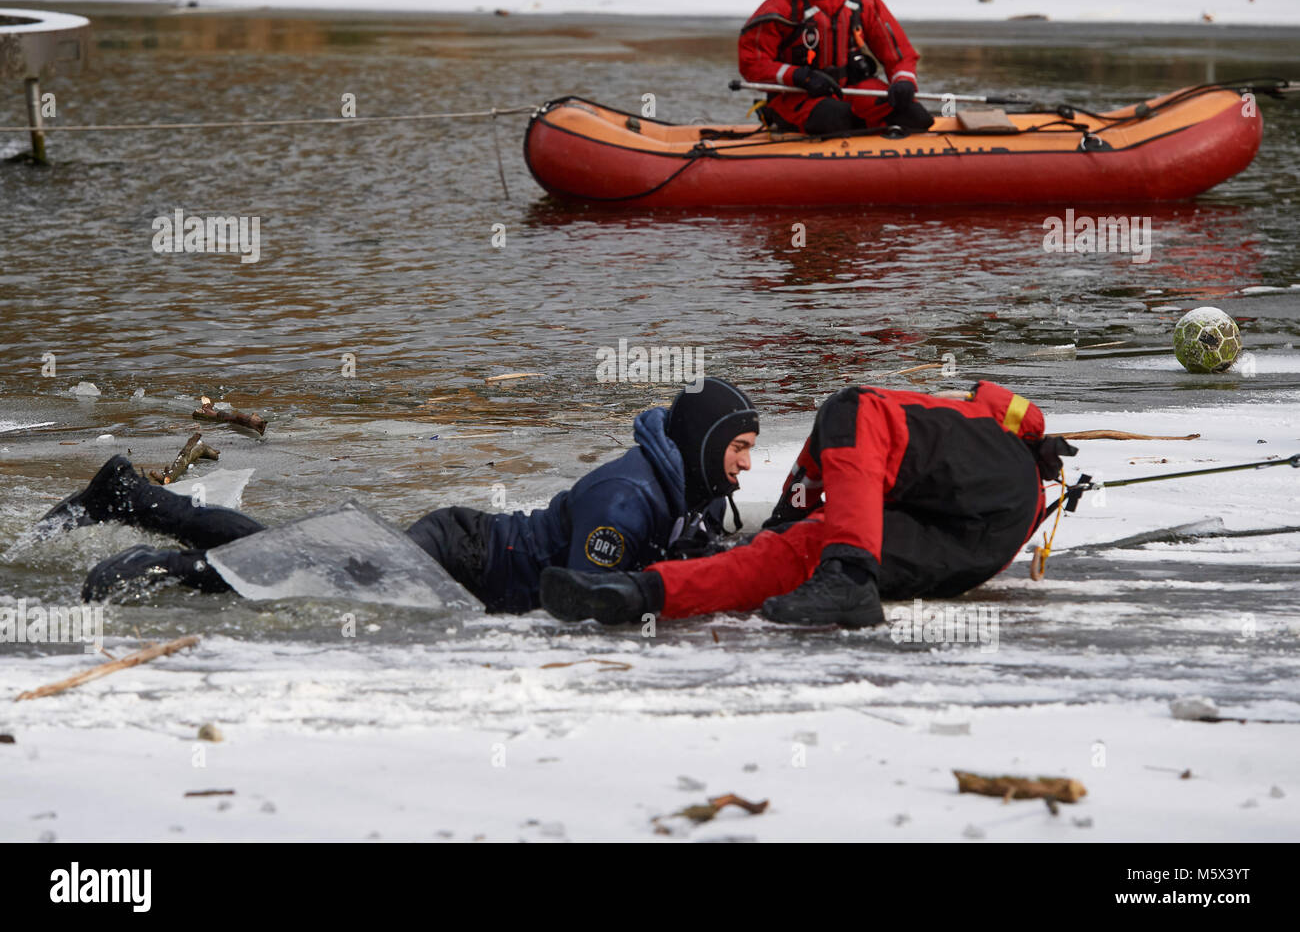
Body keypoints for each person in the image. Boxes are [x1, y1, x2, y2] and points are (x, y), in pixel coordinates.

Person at [40, 378, 760, 610]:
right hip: (462, 558)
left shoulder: (679, 486)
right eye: (739, 449)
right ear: (702, 446)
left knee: (298, 553)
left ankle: (136, 496)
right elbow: (580, 597)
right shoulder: (627, 500)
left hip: (467, 550)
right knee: (302, 572)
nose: (747, 466)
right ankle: (159, 560)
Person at [539, 382, 1077, 628]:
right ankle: (640, 594)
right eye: (740, 450)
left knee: (849, 408)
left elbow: (847, 433)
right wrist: (781, 529)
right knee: (800, 550)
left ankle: (848, 578)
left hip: (1004, 478)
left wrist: (783, 514)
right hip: (982, 545)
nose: (747, 463)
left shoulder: (986, 439)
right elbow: (818, 489)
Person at [739, 0, 935, 136]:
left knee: (914, 117)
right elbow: (751, 63)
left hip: (853, 89)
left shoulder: (863, 2)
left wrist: (904, 82)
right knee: (835, 117)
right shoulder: (779, 8)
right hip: (797, 93)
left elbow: (899, 55)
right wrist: (799, 76)